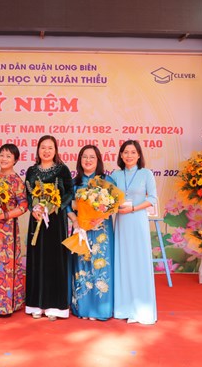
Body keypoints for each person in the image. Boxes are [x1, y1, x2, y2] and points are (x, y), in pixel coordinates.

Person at [24, 135, 74, 321]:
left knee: (55, 261)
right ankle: (36, 304)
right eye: (43, 147)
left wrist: (55, 206)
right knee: (37, 260)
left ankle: (55, 306)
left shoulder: (62, 169)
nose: (46, 151)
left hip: (56, 221)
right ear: (38, 150)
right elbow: (28, 194)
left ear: (56, 150)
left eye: (50, 147)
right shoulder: (31, 171)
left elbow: (70, 192)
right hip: (36, 219)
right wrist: (34, 209)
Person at [110, 139, 158, 325]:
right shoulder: (115, 175)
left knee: (139, 262)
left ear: (139, 155)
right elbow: (109, 198)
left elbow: (152, 198)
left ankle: (141, 310)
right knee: (123, 262)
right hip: (121, 223)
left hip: (137, 221)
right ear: (121, 155)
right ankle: (123, 308)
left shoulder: (146, 173)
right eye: (125, 152)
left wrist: (133, 208)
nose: (129, 155)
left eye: (133, 152)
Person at [67, 145, 115, 321]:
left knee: (101, 266)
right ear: (80, 160)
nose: (88, 160)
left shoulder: (107, 180)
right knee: (82, 267)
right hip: (81, 230)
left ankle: (101, 309)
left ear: (98, 160)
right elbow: (67, 206)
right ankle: (83, 308)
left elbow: (114, 205)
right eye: (84, 157)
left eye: (92, 157)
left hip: (101, 231)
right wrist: (75, 221)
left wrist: (100, 218)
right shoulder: (74, 183)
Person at [0, 144, 28, 317]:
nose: (4, 159)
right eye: (2, 155)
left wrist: (4, 215)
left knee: (5, 266)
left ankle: (4, 306)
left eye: (8, 156)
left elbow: (23, 206)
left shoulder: (16, 180)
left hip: (8, 231)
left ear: (15, 160)